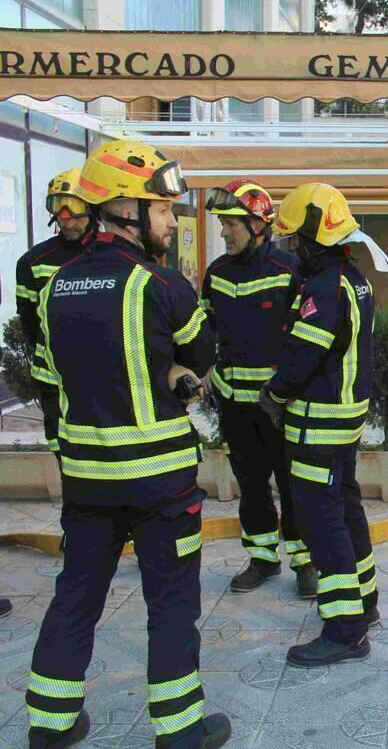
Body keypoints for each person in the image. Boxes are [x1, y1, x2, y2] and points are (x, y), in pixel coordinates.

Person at [28, 139, 230, 749]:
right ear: (125, 209)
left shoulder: (53, 287)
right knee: (170, 600)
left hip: (86, 475)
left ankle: (51, 723)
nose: (170, 221)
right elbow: (200, 358)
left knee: (77, 593)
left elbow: (49, 380)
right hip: (160, 480)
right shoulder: (160, 286)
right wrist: (173, 373)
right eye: (163, 210)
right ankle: (178, 728)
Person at [259, 183, 378, 668]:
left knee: (321, 520)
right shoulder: (353, 277)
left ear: (311, 238)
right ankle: (364, 601)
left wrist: (275, 392)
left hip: (318, 420)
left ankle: (345, 628)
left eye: (294, 241)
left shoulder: (325, 287)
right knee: (346, 507)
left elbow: (305, 352)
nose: (291, 250)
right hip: (344, 417)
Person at [200, 180, 316, 597]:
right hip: (235, 406)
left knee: (291, 485)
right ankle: (263, 558)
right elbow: (204, 329)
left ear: (259, 224)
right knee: (250, 486)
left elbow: (305, 338)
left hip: (279, 405)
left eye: (232, 224)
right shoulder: (216, 274)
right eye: (223, 224)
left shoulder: (289, 271)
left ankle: (305, 563)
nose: (224, 232)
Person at [18, 168, 92, 456]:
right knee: (63, 450)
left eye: (75, 208)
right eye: (59, 208)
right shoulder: (33, 262)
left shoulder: (107, 257)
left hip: (100, 377)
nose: (67, 219)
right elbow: (28, 321)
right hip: (52, 380)